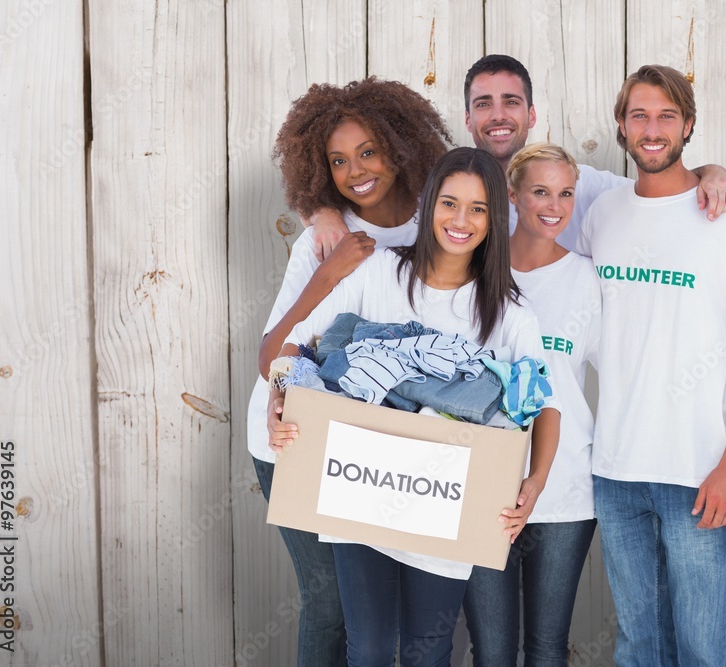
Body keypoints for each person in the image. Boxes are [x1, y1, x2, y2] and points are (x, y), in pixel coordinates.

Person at [266, 147, 562, 667]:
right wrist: (279, 400)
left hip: (445, 504)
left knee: (428, 652)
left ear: (496, 217)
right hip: (358, 487)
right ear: (428, 206)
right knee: (372, 650)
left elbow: (543, 405)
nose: (461, 220)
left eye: (477, 208)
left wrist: (533, 484)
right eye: (450, 203)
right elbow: (297, 346)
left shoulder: (510, 312)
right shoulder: (376, 271)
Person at [575, 65, 726, 666]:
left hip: (699, 473)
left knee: (699, 653)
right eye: (639, 115)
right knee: (638, 648)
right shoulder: (601, 215)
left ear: (688, 124)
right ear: (621, 126)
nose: (652, 128)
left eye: (666, 115)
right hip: (615, 472)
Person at [245, 77, 451, 667]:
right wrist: (329, 269)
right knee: (331, 603)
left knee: (396, 612)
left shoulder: (440, 226)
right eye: (337, 160)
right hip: (292, 438)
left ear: (400, 145)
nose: (356, 170)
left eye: (368, 151)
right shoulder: (321, 240)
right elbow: (270, 357)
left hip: (381, 450)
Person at [308, 54, 726, 259]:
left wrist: (708, 171)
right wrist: (322, 210)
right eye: (483, 104)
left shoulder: (581, 186)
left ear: (531, 114)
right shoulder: (440, 191)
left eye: (511, 102)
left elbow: (655, 191)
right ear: (467, 118)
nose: (498, 116)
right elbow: (370, 193)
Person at [462, 143, 599, 666]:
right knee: (491, 651)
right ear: (513, 196)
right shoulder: (473, 271)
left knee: (546, 647)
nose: (555, 204)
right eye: (540, 191)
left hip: (563, 490)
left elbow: (621, 371)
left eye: (566, 193)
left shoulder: (587, 279)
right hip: (482, 486)